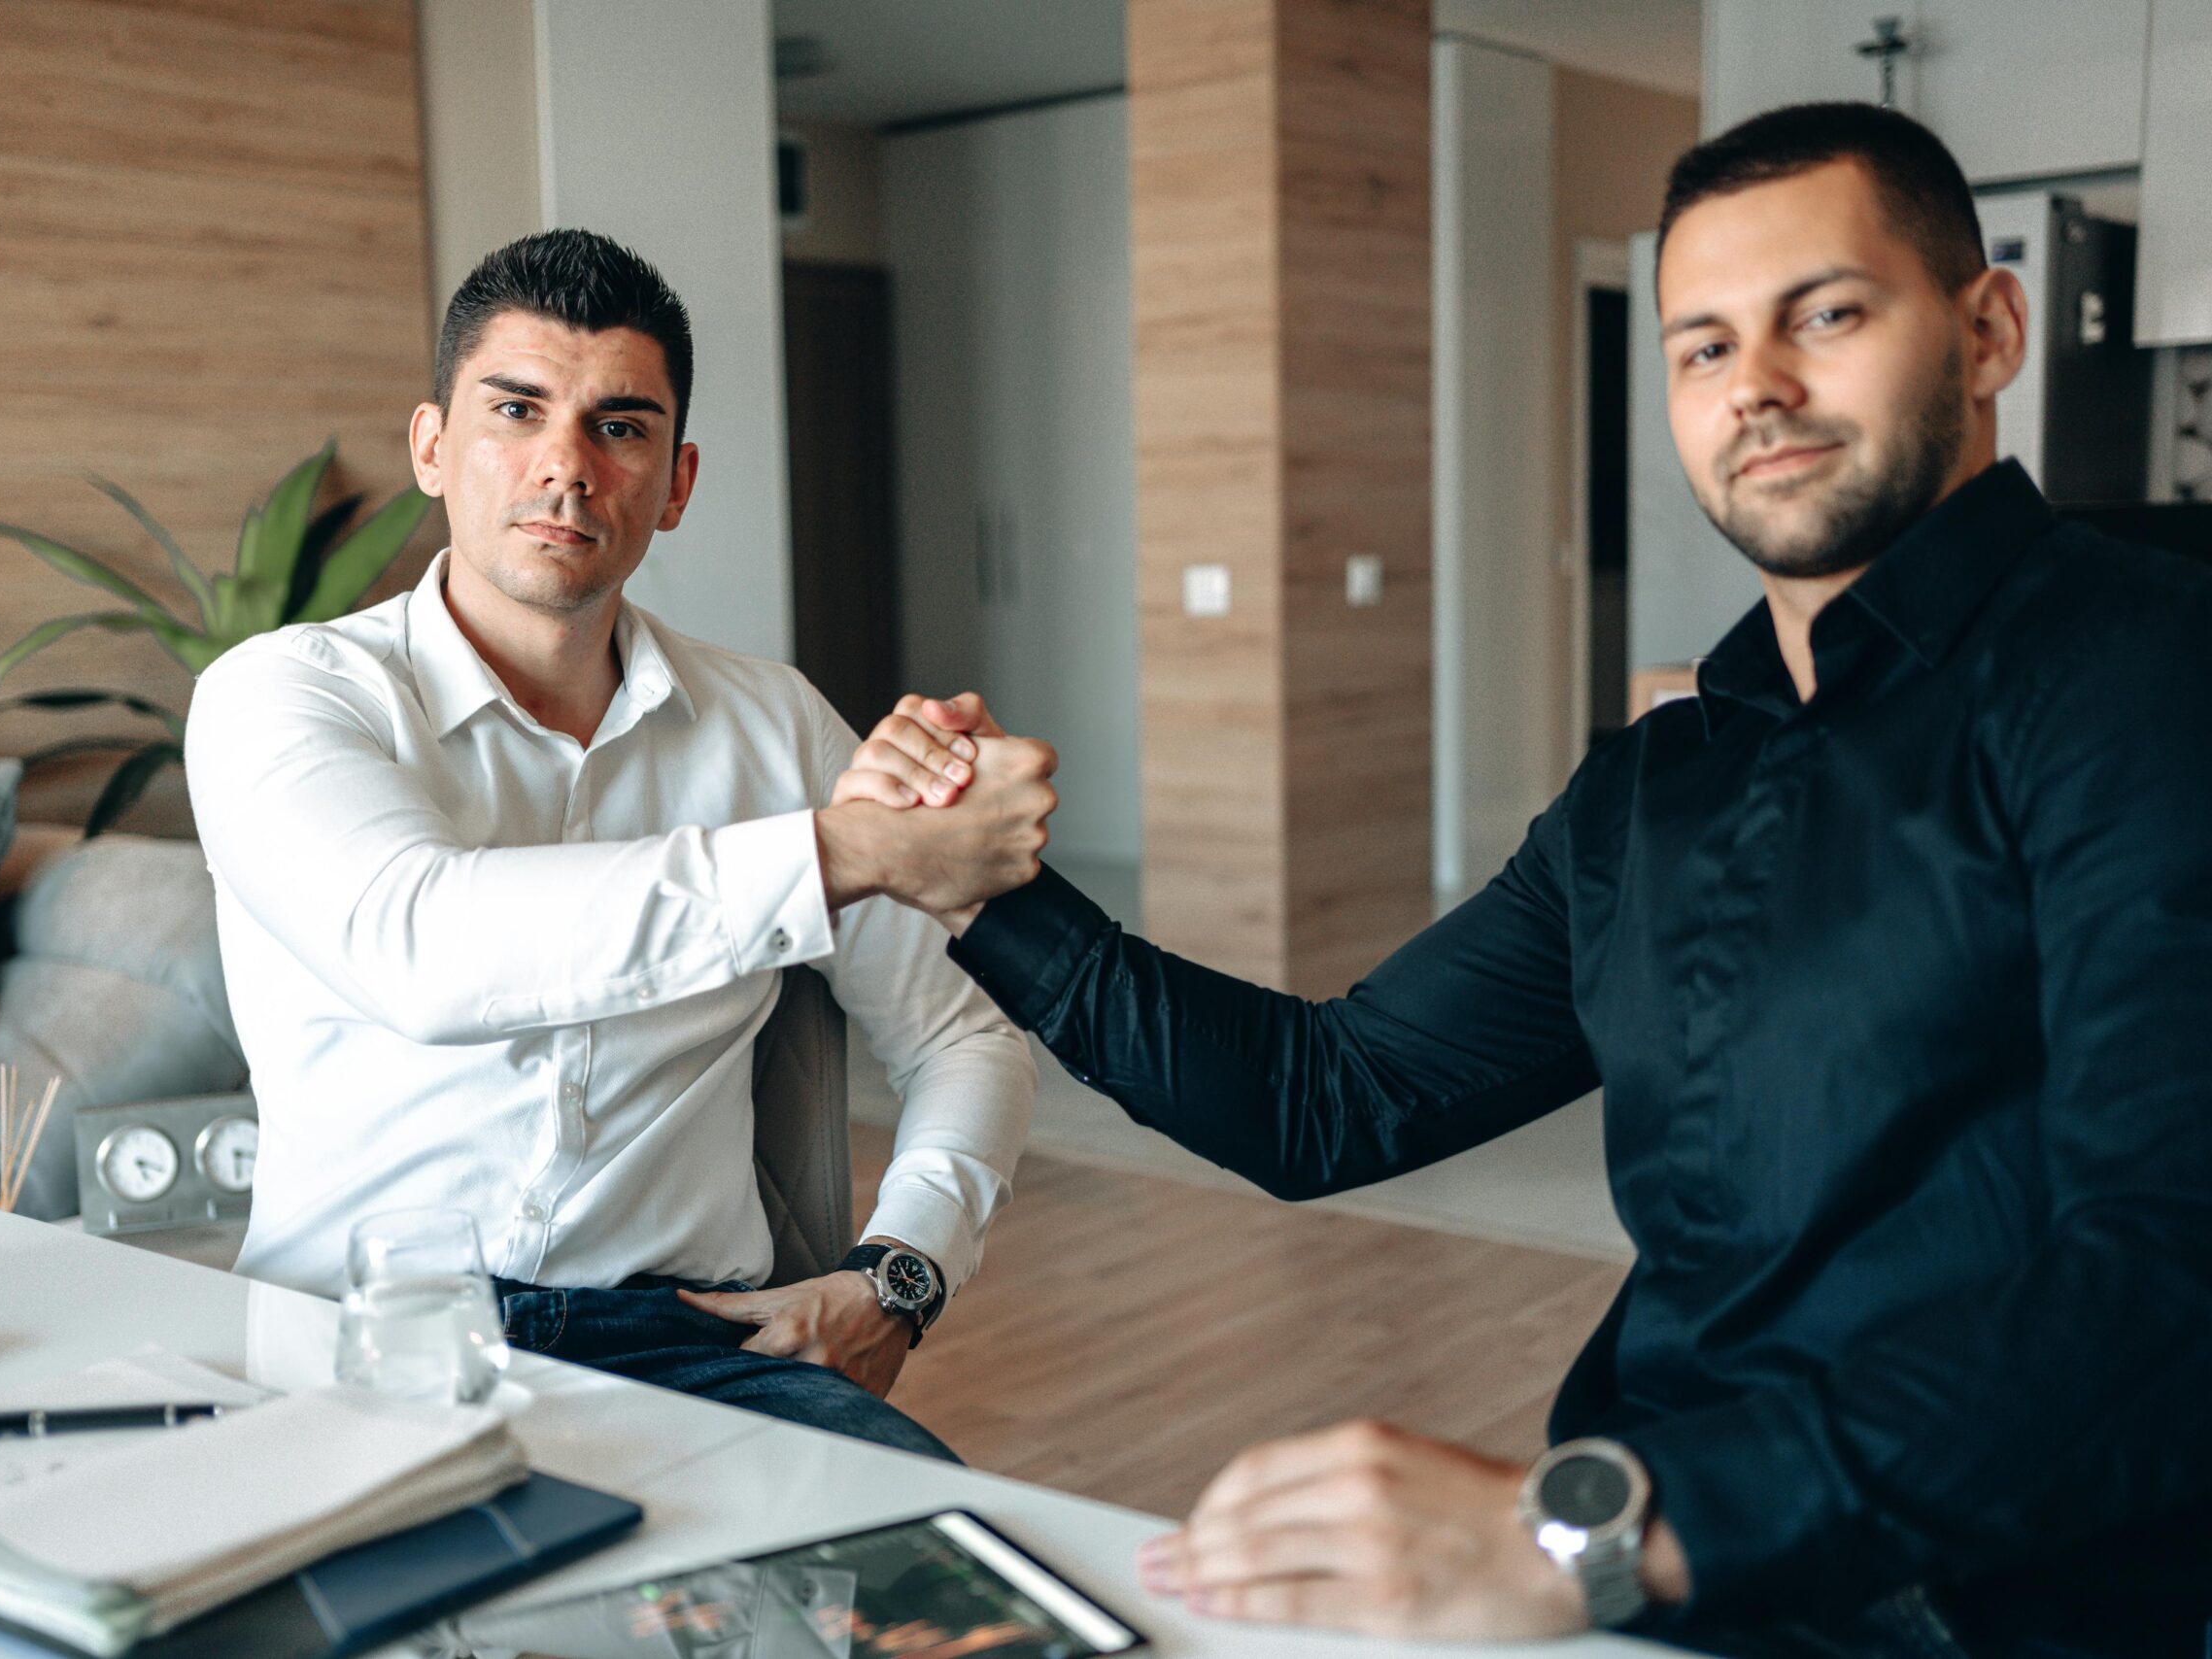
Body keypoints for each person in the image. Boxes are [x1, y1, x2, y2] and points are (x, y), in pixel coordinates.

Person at [832, 104, 2212, 1654]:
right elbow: (1326, 1095)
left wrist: (1592, 1533)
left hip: (1999, 1605)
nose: (1756, 385)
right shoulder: (1656, 785)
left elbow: (2169, 1275)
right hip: (1664, 1592)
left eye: (1825, 314)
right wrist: (977, 891)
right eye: (1700, 347)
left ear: (1988, 329)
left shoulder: (2147, 674)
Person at [185, 229, 1053, 1460]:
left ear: (677, 482)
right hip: (355, 1337)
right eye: (517, 411)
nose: (565, 467)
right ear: (433, 446)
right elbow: (424, 948)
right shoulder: (283, 695)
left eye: (620, 426)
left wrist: (900, 1274)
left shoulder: (774, 723)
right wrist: (837, 854)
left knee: (951, 1594)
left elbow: (962, 1030)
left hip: (694, 1345)